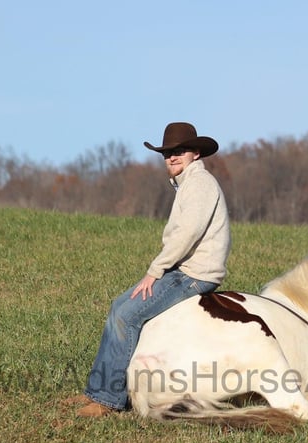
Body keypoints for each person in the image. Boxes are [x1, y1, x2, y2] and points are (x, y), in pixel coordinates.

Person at [72, 122, 231, 417]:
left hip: (194, 275)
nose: (172, 157)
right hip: (184, 270)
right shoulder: (188, 184)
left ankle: (108, 400)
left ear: (195, 153)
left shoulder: (200, 184)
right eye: (167, 153)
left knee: (125, 315)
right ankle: (96, 392)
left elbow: (188, 234)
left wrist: (155, 271)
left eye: (179, 151)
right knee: (119, 305)